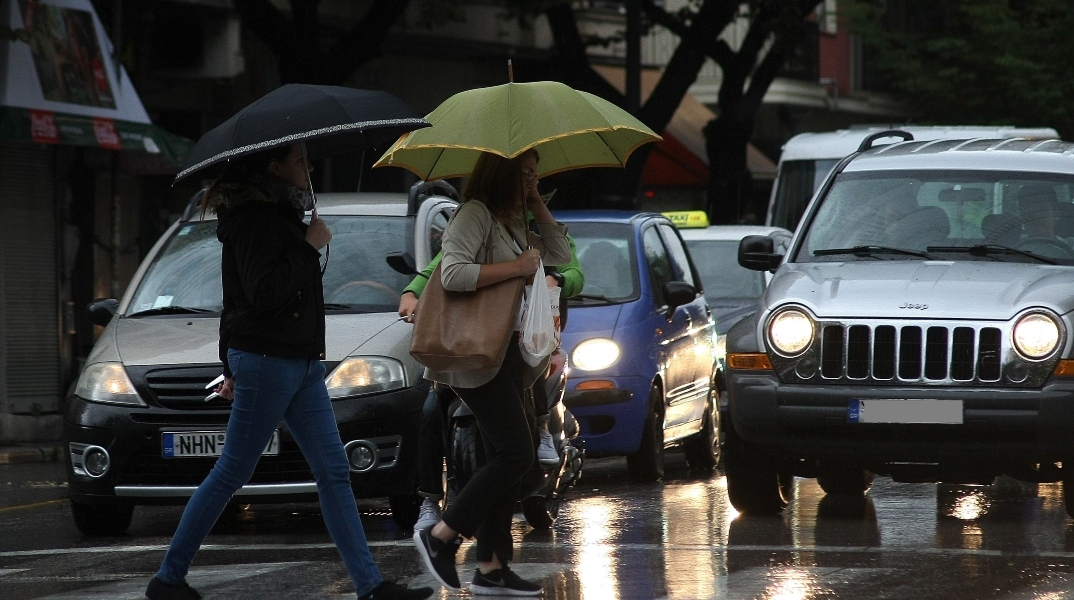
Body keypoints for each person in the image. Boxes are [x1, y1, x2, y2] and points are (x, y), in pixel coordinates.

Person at [144, 143, 432, 600]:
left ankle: (371, 587)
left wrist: (230, 361)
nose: (310, 166)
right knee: (232, 471)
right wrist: (308, 246)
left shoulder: (278, 215)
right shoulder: (255, 219)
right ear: (274, 167)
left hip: (299, 362)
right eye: (300, 160)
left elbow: (236, 300)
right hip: (268, 361)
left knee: (333, 471)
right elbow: (261, 295)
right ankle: (168, 579)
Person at [412, 149, 571, 596]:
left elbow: (559, 254)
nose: (531, 182)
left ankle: (491, 566)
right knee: (517, 454)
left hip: (510, 354)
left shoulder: (513, 221)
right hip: (478, 353)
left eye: (535, 174)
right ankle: (442, 535)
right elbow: (453, 274)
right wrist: (515, 268)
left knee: (500, 459)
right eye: (524, 174)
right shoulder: (474, 214)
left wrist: (536, 203)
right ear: (500, 174)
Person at [399, 213, 583, 533]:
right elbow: (443, 269)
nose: (526, 187)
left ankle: (482, 553)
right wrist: (411, 292)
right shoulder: (475, 222)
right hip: (472, 344)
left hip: (521, 346)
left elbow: (571, 267)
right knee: (431, 412)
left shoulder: (536, 229)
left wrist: (558, 279)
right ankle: (432, 504)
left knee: (516, 450)